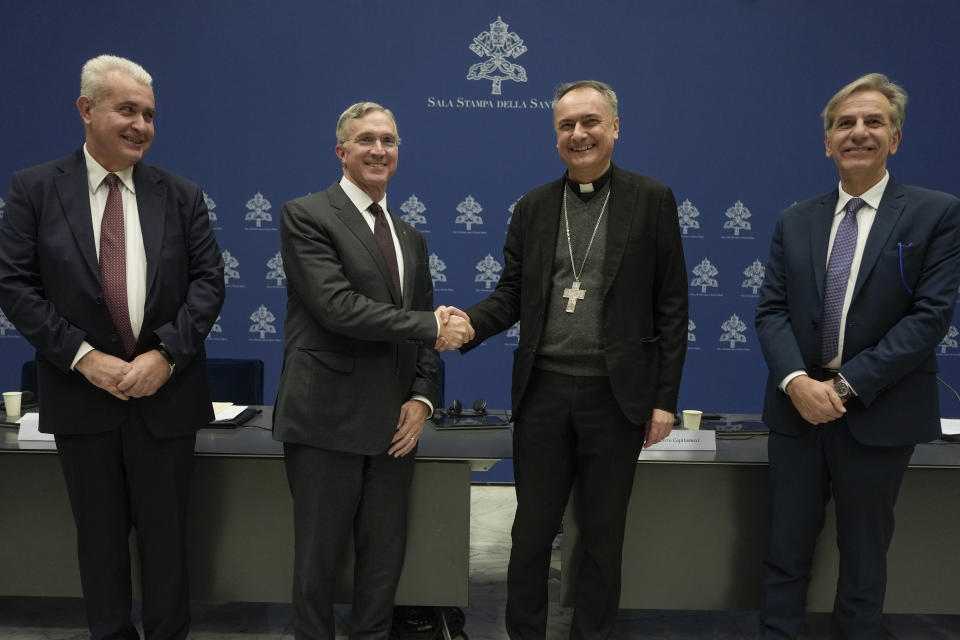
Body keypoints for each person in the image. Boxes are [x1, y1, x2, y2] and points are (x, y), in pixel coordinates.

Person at [0, 55, 225, 639]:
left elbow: (208, 284)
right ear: (86, 110)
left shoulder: (181, 194)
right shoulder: (34, 189)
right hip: (82, 397)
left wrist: (165, 356)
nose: (141, 125)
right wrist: (83, 358)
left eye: (149, 114)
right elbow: (15, 285)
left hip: (165, 396)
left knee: (168, 543)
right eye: (127, 110)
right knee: (99, 546)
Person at [456, 80, 688, 639]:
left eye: (590, 122)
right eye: (566, 125)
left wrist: (663, 400)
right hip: (544, 394)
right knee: (531, 532)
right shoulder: (533, 207)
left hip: (617, 396)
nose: (578, 134)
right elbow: (511, 294)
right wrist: (466, 325)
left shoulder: (651, 199)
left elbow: (672, 306)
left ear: (614, 128)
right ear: (555, 134)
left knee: (603, 535)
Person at [755, 73, 960, 639]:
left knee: (864, 561)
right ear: (828, 142)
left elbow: (928, 319)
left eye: (874, 122)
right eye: (845, 123)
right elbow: (771, 311)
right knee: (784, 552)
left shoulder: (935, 214)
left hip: (878, 412)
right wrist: (798, 381)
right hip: (797, 412)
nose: (858, 132)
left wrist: (844, 389)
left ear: (896, 138)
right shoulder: (796, 219)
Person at [273, 101, 473, 640]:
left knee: (382, 569)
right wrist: (432, 326)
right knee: (316, 570)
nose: (378, 150)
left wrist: (423, 398)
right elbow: (336, 308)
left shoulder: (409, 236)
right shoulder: (307, 214)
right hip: (326, 421)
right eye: (365, 140)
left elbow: (422, 334)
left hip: (395, 428)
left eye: (388, 140)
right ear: (342, 152)